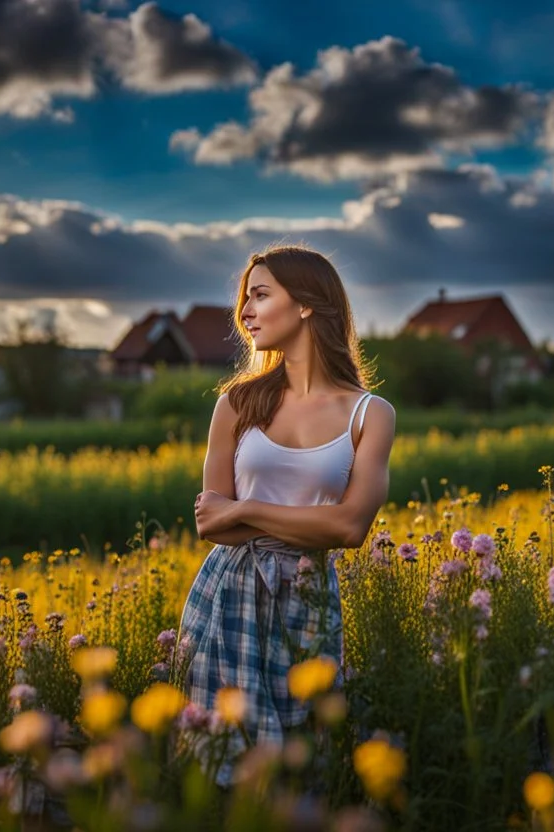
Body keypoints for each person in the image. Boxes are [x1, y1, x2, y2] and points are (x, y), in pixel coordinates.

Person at [177, 244, 395, 786]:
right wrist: (300, 521)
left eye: (260, 295)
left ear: (305, 305)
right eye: (244, 298)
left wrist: (246, 508)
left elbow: (349, 528)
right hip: (227, 591)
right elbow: (209, 525)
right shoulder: (235, 403)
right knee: (220, 764)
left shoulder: (371, 414)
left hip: (308, 595)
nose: (244, 311)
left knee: (303, 764)